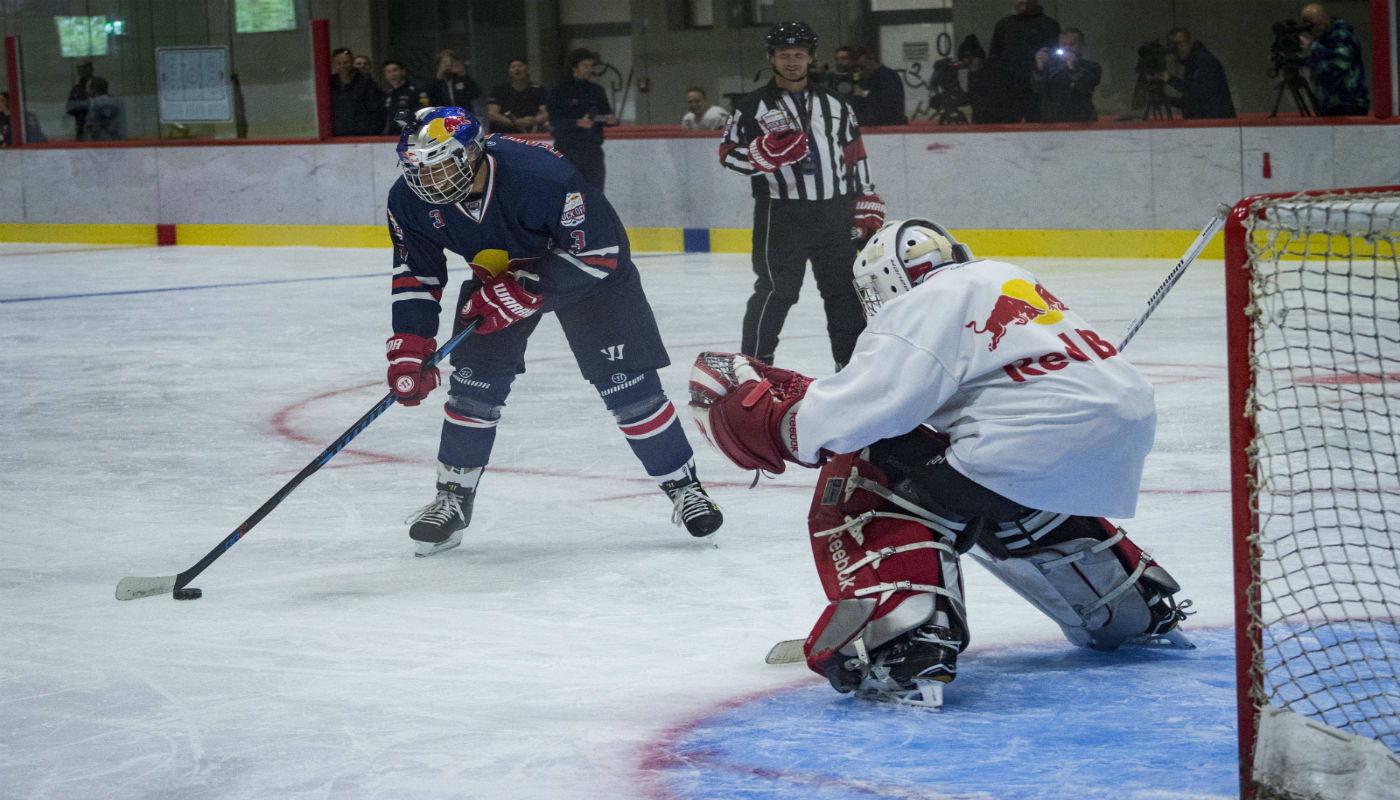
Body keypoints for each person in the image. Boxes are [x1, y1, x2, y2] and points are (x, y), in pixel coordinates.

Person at [687, 218, 1192, 709]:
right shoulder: (1001, 275)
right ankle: (1127, 605)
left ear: (885, 280)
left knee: (866, 476)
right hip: (1118, 426)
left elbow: (864, 411)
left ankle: (904, 638)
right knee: (1001, 492)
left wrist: (779, 424)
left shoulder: (923, 304)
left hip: (1033, 432)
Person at [383, 106, 723, 556]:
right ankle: (452, 497)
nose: (428, 181)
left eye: (440, 166)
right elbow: (416, 274)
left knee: (631, 387)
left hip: (586, 277)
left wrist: (526, 291)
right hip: (496, 277)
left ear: (471, 152)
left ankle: (684, 486)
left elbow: (601, 252)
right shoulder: (409, 200)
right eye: (417, 169)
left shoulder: (543, 175)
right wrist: (410, 344)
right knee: (472, 389)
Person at [720, 21, 884, 371]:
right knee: (776, 291)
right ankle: (755, 367)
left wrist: (866, 197)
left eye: (798, 54)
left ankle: (851, 369)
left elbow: (855, 153)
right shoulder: (751, 107)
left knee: (843, 292)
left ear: (811, 57)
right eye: (783, 55)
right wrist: (759, 155)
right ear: (771, 58)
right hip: (780, 214)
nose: (792, 62)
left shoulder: (836, 103)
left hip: (835, 212)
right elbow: (726, 154)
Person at [546, 49, 617, 189]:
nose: (589, 69)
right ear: (574, 67)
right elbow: (555, 121)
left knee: (595, 193)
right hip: (567, 149)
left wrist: (610, 120)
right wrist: (577, 122)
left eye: (591, 66)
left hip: (592, 150)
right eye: (585, 66)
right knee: (568, 193)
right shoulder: (558, 90)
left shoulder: (597, 90)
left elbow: (605, 114)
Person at [986, 0, 1060, 123]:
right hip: (1009, 91)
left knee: (1040, 132)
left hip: (1040, 91)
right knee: (1007, 132)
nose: (1025, 1)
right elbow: (994, 59)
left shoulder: (1049, 25)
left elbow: (1057, 60)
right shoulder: (1003, 25)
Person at [1300, 3, 1370, 116]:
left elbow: (1341, 62)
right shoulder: (1322, 38)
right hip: (1329, 103)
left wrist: (1312, 46)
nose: (1312, 31)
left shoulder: (1342, 34)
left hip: (1348, 103)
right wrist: (1297, 61)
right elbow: (1320, 61)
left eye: (1315, 25)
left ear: (1325, 19)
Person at [1160, 28, 1235, 120]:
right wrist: (1169, 100)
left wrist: (1169, 79)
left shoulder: (1203, 60)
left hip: (1215, 125)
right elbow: (1195, 100)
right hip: (1210, 124)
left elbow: (1197, 92)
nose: (1177, 48)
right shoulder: (1194, 61)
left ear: (1189, 43)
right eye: (1173, 45)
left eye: (1180, 43)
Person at [1031, 28, 1101, 122]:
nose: (1067, 48)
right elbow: (1037, 89)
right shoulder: (1049, 67)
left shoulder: (1092, 67)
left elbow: (1085, 87)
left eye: (1072, 44)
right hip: (1052, 121)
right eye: (1064, 44)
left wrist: (1073, 67)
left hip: (1082, 120)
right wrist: (1040, 67)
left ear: (1082, 45)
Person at [486, 58, 549, 134]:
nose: (517, 68)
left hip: (532, 133)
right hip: (503, 133)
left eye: (520, 66)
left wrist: (535, 120)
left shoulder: (538, 90)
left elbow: (547, 112)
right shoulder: (499, 90)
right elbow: (492, 114)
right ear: (509, 72)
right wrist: (513, 122)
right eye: (513, 67)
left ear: (527, 69)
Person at [330, 47, 383, 136]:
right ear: (334, 65)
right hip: (336, 138)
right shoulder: (328, 84)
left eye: (346, 62)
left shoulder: (367, 84)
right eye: (339, 63)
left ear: (352, 63)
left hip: (362, 137)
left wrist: (372, 132)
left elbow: (377, 111)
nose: (343, 66)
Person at [850, 48, 908, 126]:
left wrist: (864, 94)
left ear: (871, 60)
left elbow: (888, 101)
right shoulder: (868, 78)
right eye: (858, 68)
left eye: (863, 67)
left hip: (889, 125)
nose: (861, 71)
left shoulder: (887, 77)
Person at [381, 60, 430, 135]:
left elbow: (424, 114)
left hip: (411, 136)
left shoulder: (415, 92)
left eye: (395, 70)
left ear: (403, 72)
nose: (392, 74)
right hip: (390, 137)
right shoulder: (387, 94)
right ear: (385, 76)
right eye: (388, 72)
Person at [65, 59, 94, 140]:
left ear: (91, 68)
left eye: (84, 67)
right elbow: (69, 107)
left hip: (97, 129)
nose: (81, 70)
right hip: (81, 129)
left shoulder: (97, 84)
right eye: (78, 67)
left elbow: (102, 104)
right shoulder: (76, 88)